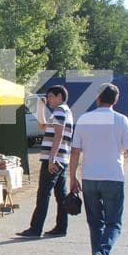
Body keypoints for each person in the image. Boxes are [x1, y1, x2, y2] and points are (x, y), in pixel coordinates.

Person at [69, 83, 128, 255]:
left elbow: (75, 151)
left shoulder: (84, 119)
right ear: (116, 100)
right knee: (114, 224)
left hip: (90, 178)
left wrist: (72, 177)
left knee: (95, 223)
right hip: (113, 177)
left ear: (98, 98)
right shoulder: (121, 120)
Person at [17, 85, 74, 238]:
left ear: (59, 97)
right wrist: (41, 107)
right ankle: (61, 227)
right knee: (60, 195)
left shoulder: (60, 111)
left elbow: (58, 134)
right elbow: (42, 126)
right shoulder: (64, 111)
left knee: (43, 193)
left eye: (50, 97)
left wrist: (52, 158)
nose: (48, 100)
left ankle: (36, 228)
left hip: (54, 159)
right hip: (62, 159)